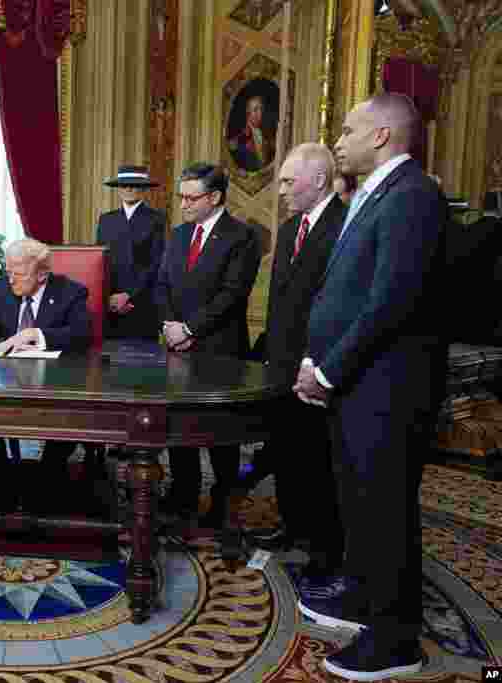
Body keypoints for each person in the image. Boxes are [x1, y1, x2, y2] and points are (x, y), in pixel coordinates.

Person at [295, 92, 446, 680]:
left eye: (349, 129)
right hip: (358, 385)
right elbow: (348, 292)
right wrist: (321, 361)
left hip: (387, 389)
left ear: (382, 135)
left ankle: (394, 640)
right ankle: (364, 597)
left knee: (384, 512)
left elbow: (391, 300)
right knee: (359, 505)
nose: (339, 140)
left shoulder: (414, 196)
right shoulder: (377, 194)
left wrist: (328, 369)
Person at [247, 143, 345, 589]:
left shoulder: (344, 227)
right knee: (287, 454)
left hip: (319, 369)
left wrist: (315, 363)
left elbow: (338, 305)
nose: (280, 189)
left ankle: (325, 552)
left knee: (318, 464)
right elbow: (280, 304)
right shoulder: (289, 229)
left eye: (288, 181)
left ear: (320, 180)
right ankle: (293, 527)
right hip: (282, 367)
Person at [156, 163, 261, 529]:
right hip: (176, 347)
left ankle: (223, 498)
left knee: (220, 432)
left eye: (191, 197)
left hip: (219, 348)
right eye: (181, 196)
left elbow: (232, 294)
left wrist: (189, 329)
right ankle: (183, 492)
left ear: (214, 197)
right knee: (179, 424)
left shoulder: (242, 237)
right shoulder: (179, 234)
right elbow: (163, 284)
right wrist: (170, 327)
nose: (183, 204)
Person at [0, 239, 92, 512]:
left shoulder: (71, 292)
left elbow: (82, 334)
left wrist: (37, 334)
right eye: (7, 271)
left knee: (68, 411)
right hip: (8, 376)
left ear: (42, 275)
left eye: (18, 274)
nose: (10, 279)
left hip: (57, 380)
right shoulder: (2, 289)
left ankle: (50, 476)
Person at [96, 164, 167, 340]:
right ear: (118, 188)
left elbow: (157, 263)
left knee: (142, 362)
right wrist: (108, 298)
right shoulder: (106, 220)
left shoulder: (156, 219)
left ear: (143, 189)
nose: (128, 188)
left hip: (142, 305)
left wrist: (128, 295)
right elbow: (100, 263)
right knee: (108, 362)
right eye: (124, 184)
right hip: (110, 306)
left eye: (134, 184)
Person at [228, 95, 275, 171]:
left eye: (261, 109)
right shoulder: (238, 139)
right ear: (248, 113)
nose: (260, 113)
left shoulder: (268, 137)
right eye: (255, 109)